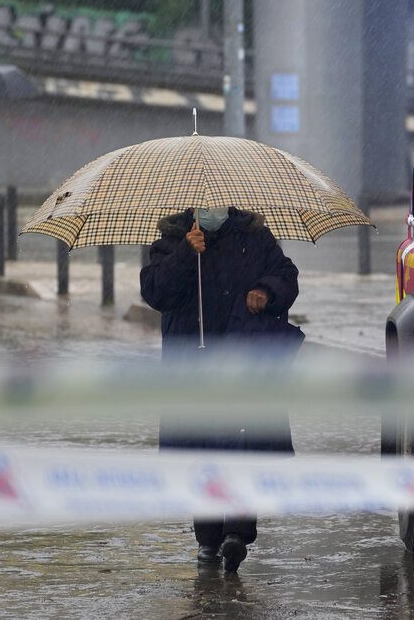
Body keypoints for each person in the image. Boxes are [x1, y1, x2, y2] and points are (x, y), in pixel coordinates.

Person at [140, 206, 300, 573]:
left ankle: (237, 533)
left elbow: (286, 277)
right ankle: (208, 540)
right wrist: (185, 252)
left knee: (242, 441)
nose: (211, 209)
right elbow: (155, 292)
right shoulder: (172, 239)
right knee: (202, 449)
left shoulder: (254, 236)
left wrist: (265, 291)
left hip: (244, 361)